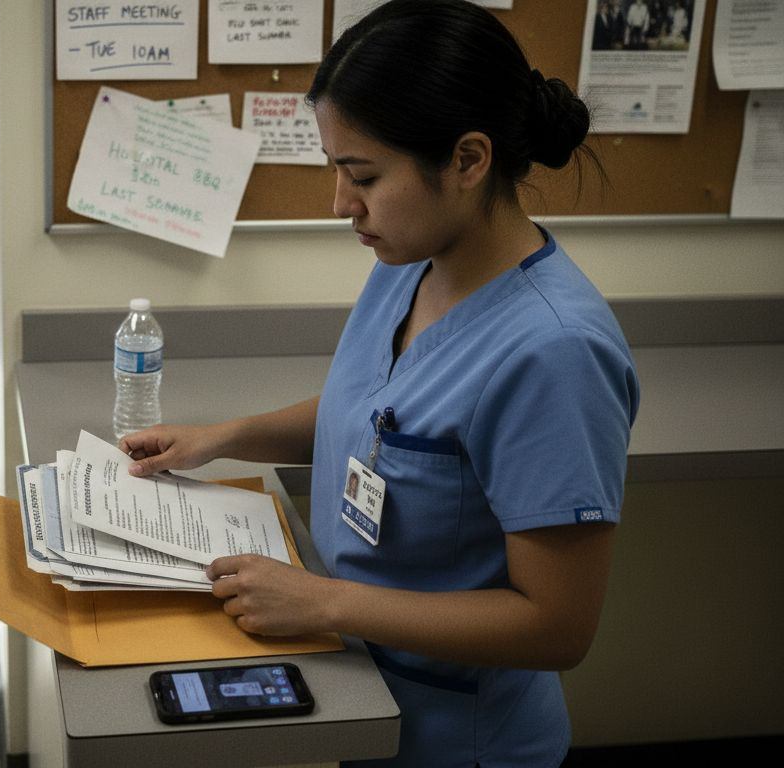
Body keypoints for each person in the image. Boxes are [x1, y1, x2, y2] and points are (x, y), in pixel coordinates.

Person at [118, 1, 639, 765]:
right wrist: (224, 438)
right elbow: (379, 417)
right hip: (353, 677)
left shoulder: (553, 354)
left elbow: (558, 627)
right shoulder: (410, 264)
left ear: (467, 160)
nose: (340, 204)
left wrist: (322, 600)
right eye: (336, 169)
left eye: (362, 175)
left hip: (455, 734)